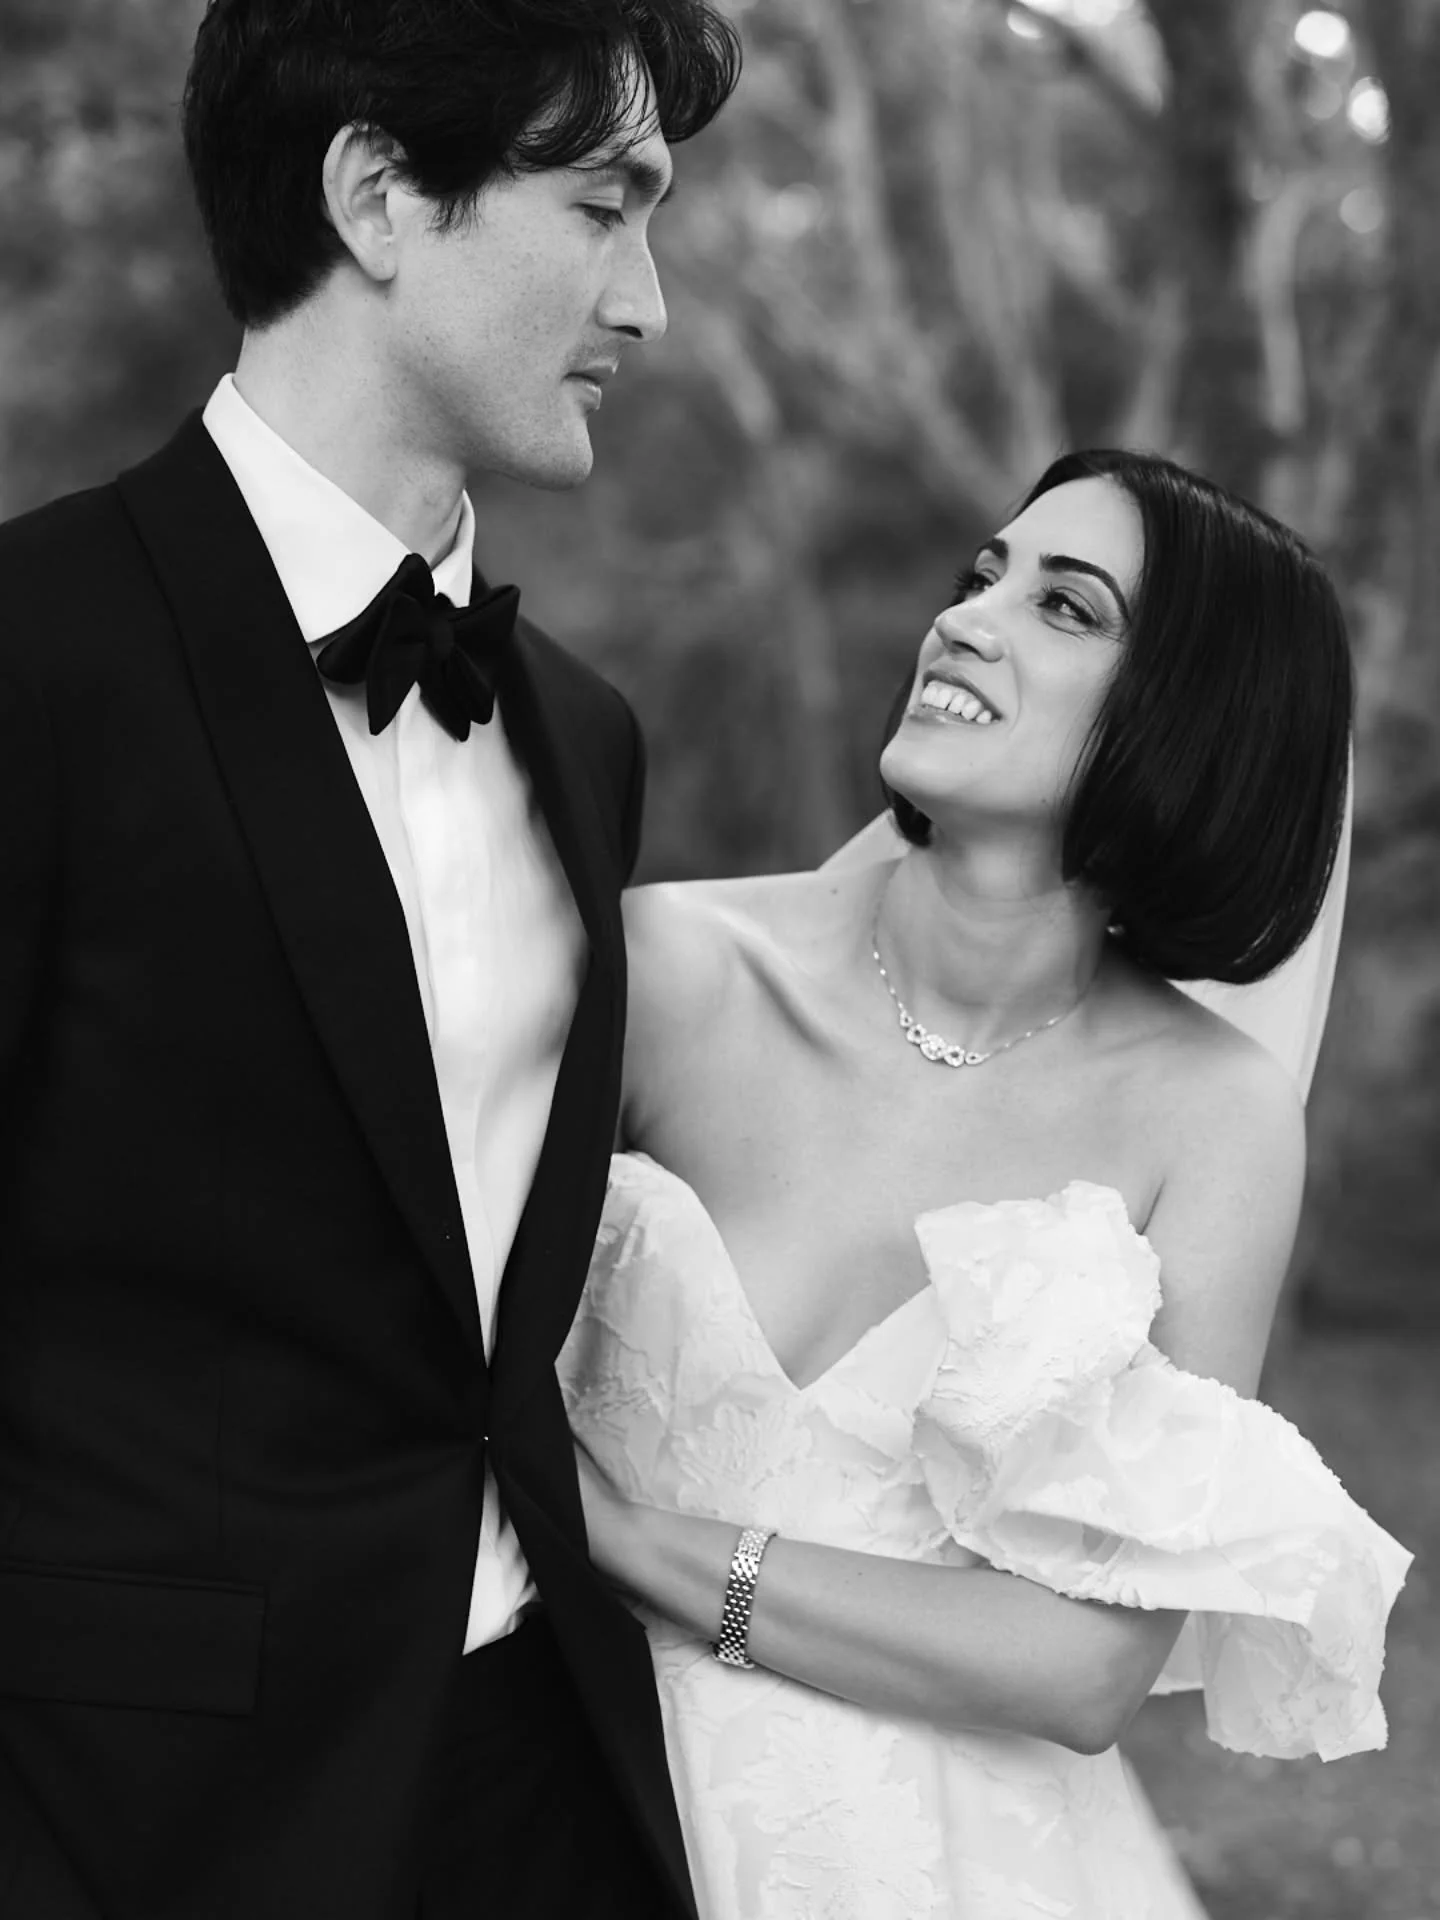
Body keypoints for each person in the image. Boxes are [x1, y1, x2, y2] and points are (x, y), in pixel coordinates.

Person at [0, 3, 739, 1915]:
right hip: (138, 1813)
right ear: (380, 193)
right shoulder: (33, 654)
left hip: (547, 1777)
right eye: (604, 206)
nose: (646, 302)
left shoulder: (583, 733)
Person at [560, 449, 1413, 1919]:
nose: (967, 619)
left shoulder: (1214, 1120)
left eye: (1066, 608)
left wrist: (635, 1541)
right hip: (566, 1800)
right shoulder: (670, 974)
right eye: (981, 577)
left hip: (951, 1867)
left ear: (1191, 720)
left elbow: (1084, 1664)